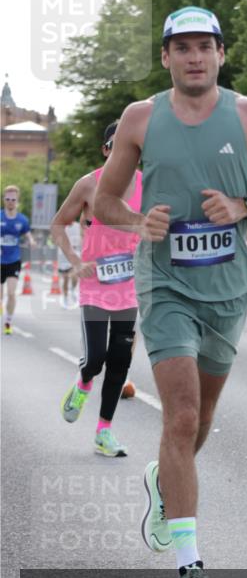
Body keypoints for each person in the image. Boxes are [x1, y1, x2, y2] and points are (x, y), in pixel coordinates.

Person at [94, 5, 247, 578]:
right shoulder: (141, 118)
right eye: (181, 47)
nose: (193, 57)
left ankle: (164, 482)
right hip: (165, 284)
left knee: (201, 419)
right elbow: (104, 202)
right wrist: (139, 222)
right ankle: (191, 570)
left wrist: (244, 206)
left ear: (220, 54)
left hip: (228, 289)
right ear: (165, 57)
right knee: (181, 416)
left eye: (204, 46)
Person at [50, 122, 142, 458]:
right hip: (94, 286)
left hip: (129, 288)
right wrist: (75, 261)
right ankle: (84, 382)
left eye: (132, 146)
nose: (125, 153)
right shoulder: (89, 184)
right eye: (117, 145)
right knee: (96, 359)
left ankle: (104, 432)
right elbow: (58, 224)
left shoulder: (149, 184)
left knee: (120, 361)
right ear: (106, 150)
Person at [1, 185, 35, 334]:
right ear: (4, 200)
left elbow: (27, 234)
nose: (10, 202)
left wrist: (31, 241)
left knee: (11, 293)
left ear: (17, 201)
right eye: (8, 199)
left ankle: (8, 322)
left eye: (13, 200)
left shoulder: (22, 220)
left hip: (14, 260)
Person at [57, 219, 82, 306]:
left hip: (75, 255)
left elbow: (81, 239)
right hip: (63, 256)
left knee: (75, 275)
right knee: (65, 279)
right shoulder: (61, 226)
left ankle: (73, 289)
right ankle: (65, 297)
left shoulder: (78, 226)